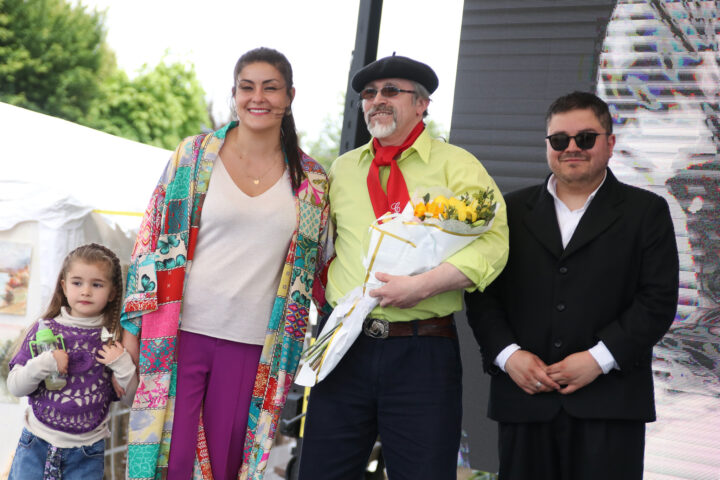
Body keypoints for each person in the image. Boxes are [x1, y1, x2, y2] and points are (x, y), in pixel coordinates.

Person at [120, 47, 331, 480]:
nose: (258, 97)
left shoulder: (311, 182)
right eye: (247, 87)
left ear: (290, 96)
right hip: (178, 333)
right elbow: (150, 242)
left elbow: (320, 271)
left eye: (271, 88)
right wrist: (130, 332)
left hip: (254, 344)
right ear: (234, 94)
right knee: (169, 460)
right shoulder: (193, 157)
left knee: (224, 461)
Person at [298, 54, 509, 480]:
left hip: (421, 350)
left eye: (391, 91)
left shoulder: (457, 165)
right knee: (320, 472)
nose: (377, 99)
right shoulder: (341, 169)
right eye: (369, 93)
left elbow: (494, 244)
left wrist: (424, 286)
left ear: (422, 103)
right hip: (342, 343)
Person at [465, 91, 680, 480]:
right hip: (525, 402)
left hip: (611, 404)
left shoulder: (646, 211)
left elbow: (658, 300)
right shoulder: (508, 211)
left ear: (610, 143)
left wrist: (598, 359)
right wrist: (509, 356)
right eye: (560, 139)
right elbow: (483, 295)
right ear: (547, 144)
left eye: (585, 138)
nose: (571, 148)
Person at [7, 243, 136, 480]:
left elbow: (133, 401)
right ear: (64, 286)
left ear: (112, 293)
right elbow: (15, 386)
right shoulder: (43, 329)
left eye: (97, 284)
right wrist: (45, 362)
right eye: (77, 283)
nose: (86, 291)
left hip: (86, 455)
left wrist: (122, 364)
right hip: (35, 445)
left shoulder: (113, 341)